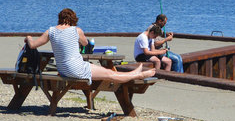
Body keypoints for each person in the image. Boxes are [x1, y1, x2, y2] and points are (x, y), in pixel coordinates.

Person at [26, 8, 155, 84]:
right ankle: (137, 75)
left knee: (108, 73)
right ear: (72, 20)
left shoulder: (50, 31)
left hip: (63, 69)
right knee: (110, 74)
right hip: (77, 68)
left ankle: (135, 73)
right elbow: (85, 43)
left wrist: (28, 37)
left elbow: (32, 45)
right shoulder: (76, 30)